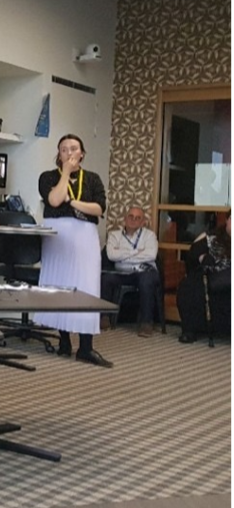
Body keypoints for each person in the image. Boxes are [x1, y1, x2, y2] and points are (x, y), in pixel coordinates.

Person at [34, 134, 110, 367]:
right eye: (64, 149)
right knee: (60, 286)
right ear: (59, 154)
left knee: (86, 287)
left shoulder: (93, 179)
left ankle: (86, 347)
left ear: (82, 153)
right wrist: (66, 172)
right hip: (57, 237)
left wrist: (73, 202)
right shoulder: (48, 177)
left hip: (85, 238)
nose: (69, 153)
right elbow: (55, 200)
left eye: (73, 148)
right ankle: (64, 341)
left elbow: (98, 208)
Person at [100, 206, 160, 337]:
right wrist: (136, 252)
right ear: (125, 219)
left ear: (143, 222)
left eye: (138, 218)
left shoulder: (149, 236)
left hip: (144, 271)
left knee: (146, 281)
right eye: (131, 217)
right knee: (106, 278)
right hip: (122, 273)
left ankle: (146, 323)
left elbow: (151, 255)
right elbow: (111, 255)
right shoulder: (114, 235)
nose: (134, 220)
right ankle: (104, 317)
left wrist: (122, 254)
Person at [177, 208, 231, 343]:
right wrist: (202, 257)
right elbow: (193, 254)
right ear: (227, 221)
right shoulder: (212, 236)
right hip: (210, 274)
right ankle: (190, 330)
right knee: (189, 286)